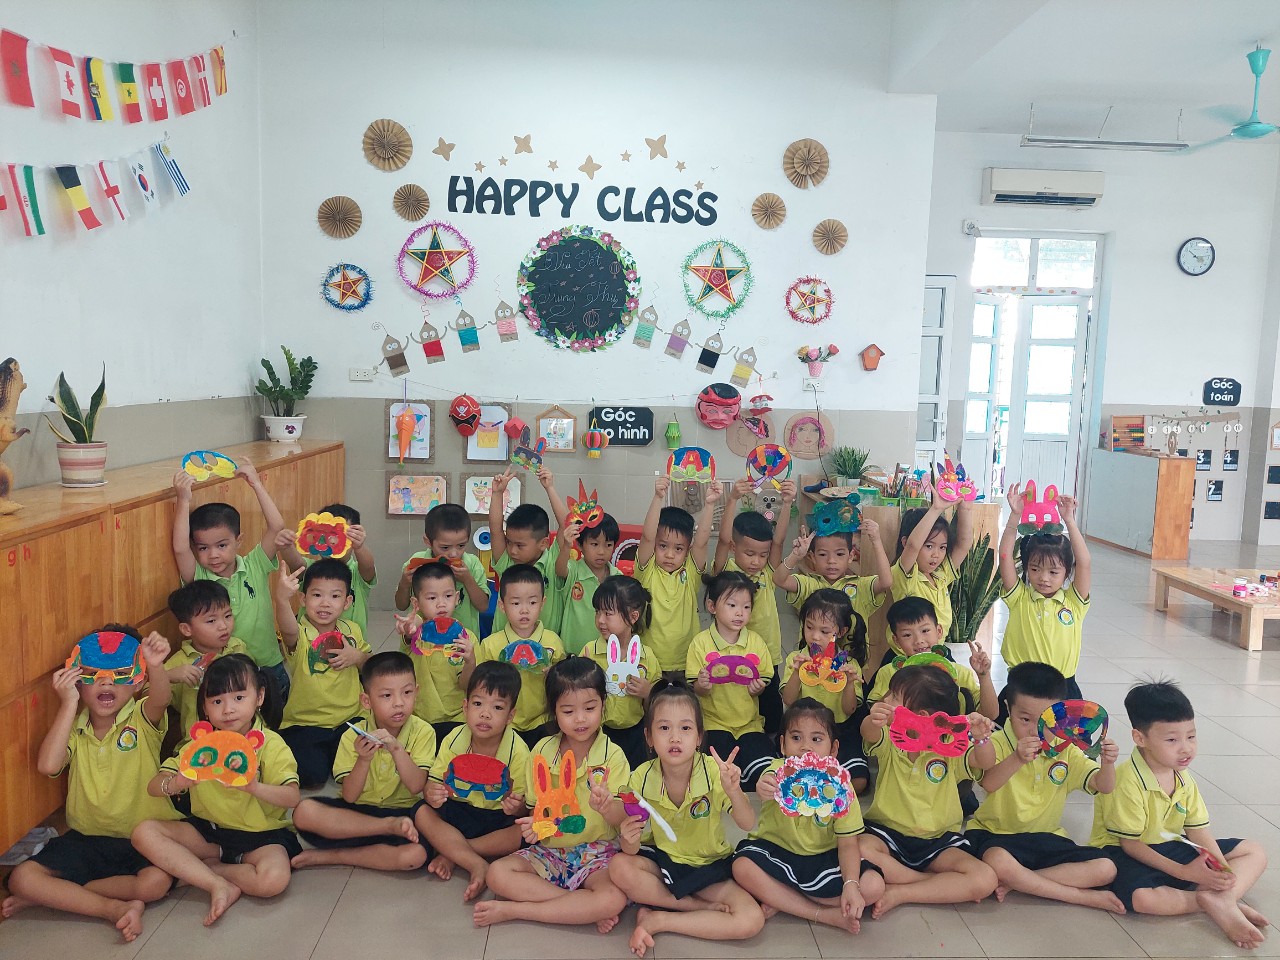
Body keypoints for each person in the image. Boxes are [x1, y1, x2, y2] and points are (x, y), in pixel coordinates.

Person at [3, 629, 175, 942]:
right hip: (85, 838)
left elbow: (162, 699)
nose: (106, 683)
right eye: (92, 674)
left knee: (155, 883)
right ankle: (112, 908)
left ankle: (61, 895)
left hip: (140, 839)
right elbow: (48, 765)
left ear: (138, 681)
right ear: (77, 680)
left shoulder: (141, 719)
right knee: (22, 879)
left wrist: (156, 665)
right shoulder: (74, 728)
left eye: (119, 674)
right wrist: (68, 703)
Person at [1090, 681, 1270, 949]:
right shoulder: (1126, 780)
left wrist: (1223, 872)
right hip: (1124, 851)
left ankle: (1222, 899)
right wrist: (1186, 873)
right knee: (1143, 899)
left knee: (1254, 851)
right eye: (1172, 740)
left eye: (1191, 736)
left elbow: (1197, 830)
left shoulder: (1183, 778)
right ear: (1140, 738)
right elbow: (1131, 844)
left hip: (1169, 845)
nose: (1186, 748)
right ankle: (1206, 901)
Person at [131, 655, 301, 927]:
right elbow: (154, 786)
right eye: (217, 701)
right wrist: (175, 784)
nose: (228, 709)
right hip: (209, 832)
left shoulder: (271, 744)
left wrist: (254, 787)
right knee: (143, 832)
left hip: (261, 836)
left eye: (239, 698)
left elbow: (292, 797)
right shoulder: (198, 746)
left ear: (259, 697)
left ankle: (202, 870)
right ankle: (216, 884)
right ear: (205, 708)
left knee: (272, 880)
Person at [473, 658, 630, 932]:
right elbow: (535, 811)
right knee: (497, 873)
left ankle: (517, 910)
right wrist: (530, 820)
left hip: (597, 854)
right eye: (568, 711)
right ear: (554, 711)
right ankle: (578, 907)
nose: (580, 719)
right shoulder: (542, 752)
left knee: (612, 897)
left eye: (590, 708)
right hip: (549, 852)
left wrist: (607, 807)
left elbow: (622, 818)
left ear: (603, 705)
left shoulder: (613, 756)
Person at [609, 683, 764, 958]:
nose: (675, 738)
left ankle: (660, 919)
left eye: (685, 728)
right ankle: (691, 907)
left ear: (699, 737)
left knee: (751, 920)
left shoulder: (714, 771)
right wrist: (627, 838)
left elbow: (747, 823)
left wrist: (734, 791)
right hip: (664, 861)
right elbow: (631, 848)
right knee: (619, 867)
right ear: (649, 737)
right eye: (664, 728)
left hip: (709, 864)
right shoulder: (641, 776)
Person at [969, 662, 1122, 912]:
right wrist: (1017, 759)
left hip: (1047, 837)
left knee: (1106, 868)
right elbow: (988, 783)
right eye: (1025, 719)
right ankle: (1078, 896)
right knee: (997, 862)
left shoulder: (1066, 750)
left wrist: (1108, 763)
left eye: (1048, 722)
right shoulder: (995, 743)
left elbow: (1104, 786)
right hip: (995, 835)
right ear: (1008, 709)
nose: (1036, 730)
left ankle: (1019, 882)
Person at [733, 698, 885, 933]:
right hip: (777, 852)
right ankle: (821, 914)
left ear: (833, 749)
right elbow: (766, 781)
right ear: (782, 744)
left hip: (823, 858)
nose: (805, 747)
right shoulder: (777, 770)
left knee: (873, 886)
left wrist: (851, 884)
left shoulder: (841, 785)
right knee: (741, 867)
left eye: (816, 739)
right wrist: (764, 786)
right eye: (796, 738)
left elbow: (847, 844)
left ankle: (783, 898)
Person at [858, 664, 998, 916]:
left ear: (920, 715)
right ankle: (928, 883)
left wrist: (981, 738)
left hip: (938, 841)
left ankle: (901, 891)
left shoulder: (951, 747)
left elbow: (985, 762)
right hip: (886, 833)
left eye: (894, 697)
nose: (885, 700)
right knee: (856, 847)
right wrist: (872, 719)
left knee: (985, 878)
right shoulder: (890, 738)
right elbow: (868, 733)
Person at [291, 651, 435, 872]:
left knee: (415, 856)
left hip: (404, 814)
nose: (399, 703)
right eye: (386, 696)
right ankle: (385, 827)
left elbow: (416, 786)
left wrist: (397, 749)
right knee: (304, 812)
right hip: (357, 817)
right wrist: (364, 759)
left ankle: (333, 856)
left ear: (417, 692)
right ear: (366, 701)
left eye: (407, 693)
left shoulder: (424, 732)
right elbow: (350, 796)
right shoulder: (352, 735)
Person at [171, 459, 290, 697]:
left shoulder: (255, 564)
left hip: (269, 664)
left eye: (222, 545)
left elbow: (276, 526)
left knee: (276, 717)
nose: (213, 555)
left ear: (238, 541)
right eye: (203, 548)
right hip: (230, 677)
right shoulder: (199, 578)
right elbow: (181, 548)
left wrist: (256, 484)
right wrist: (183, 500)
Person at [418, 661, 528, 901]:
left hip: (496, 817)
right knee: (421, 813)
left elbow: (523, 806)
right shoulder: (454, 738)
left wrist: (516, 806)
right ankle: (477, 863)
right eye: (478, 704)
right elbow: (433, 782)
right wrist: (432, 793)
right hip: (458, 810)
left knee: (525, 831)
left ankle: (454, 852)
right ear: (465, 706)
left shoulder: (518, 751)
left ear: (510, 716)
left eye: (497, 707)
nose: (485, 714)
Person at [273, 559, 370, 787]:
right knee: (311, 776)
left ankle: (334, 754)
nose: (325, 603)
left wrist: (357, 656)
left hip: (350, 718)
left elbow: (371, 665)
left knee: (365, 761)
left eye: (335, 596)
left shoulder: (352, 631)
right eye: (317, 595)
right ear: (303, 599)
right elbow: (287, 630)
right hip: (306, 722)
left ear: (347, 602)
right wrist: (281, 600)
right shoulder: (300, 633)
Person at [714, 479, 796, 733]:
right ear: (734, 548)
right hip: (733, 652)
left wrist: (788, 503)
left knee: (771, 710)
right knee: (736, 700)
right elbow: (722, 540)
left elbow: (779, 542)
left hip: (767, 654)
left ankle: (771, 741)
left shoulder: (767, 573)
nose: (756, 561)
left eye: (762, 555)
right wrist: (732, 499)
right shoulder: (726, 571)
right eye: (749, 554)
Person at [998, 484, 1091, 700]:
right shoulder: (1019, 598)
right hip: (1022, 686)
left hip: (1064, 688)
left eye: (1053, 572)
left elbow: (1084, 562)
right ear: (1026, 568)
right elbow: (1004, 556)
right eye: (1035, 569)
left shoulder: (1074, 603)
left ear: (1067, 572)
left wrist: (1069, 520)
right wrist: (1015, 516)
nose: (1043, 578)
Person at [686, 570, 775, 789]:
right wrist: (702, 685)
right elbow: (696, 688)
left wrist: (758, 689)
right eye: (732, 605)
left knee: (764, 770)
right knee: (717, 773)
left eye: (746, 607)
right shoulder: (700, 643)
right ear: (712, 606)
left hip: (750, 724)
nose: (740, 613)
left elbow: (764, 681)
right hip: (713, 723)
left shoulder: (756, 642)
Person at [465, 563, 565, 746]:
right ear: (502, 606)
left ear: (542, 603)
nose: (524, 610)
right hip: (503, 722)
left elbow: (564, 686)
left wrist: (554, 675)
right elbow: (479, 686)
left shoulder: (553, 641)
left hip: (543, 721)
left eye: (532, 603)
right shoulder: (491, 645)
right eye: (516, 603)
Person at [779, 589, 868, 790]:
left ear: (841, 632)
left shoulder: (849, 664)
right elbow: (788, 700)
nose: (815, 636)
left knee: (859, 782)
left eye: (825, 631)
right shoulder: (796, 658)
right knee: (790, 778)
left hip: (840, 729)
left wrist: (849, 683)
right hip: (803, 730)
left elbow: (849, 709)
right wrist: (797, 672)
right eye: (809, 627)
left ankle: (826, 788)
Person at [774, 520, 891, 667]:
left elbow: (886, 582)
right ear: (812, 557)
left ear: (851, 556)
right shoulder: (809, 584)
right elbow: (779, 579)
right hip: (811, 665)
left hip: (849, 667)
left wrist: (876, 541)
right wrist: (795, 556)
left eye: (839, 554)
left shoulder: (860, 586)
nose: (831, 561)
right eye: (823, 554)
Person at [636, 477, 720, 680]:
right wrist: (658, 497)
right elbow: (647, 536)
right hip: (648, 659)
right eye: (663, 546)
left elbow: (701, 543)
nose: (670, 555)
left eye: (679, 549)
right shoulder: (647, 569)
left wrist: (709, 504)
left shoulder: (690, 572)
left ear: (687, 550)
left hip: (685, 659)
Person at [865, 598, 998, 720]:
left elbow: (990, 715)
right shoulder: (888, 672)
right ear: (896, 641)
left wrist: (983, 676)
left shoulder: (960, 673)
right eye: (907, 635)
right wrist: (898, 685)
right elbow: (874, 715)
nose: (918, 640)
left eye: (925, 631)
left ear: (939, 631)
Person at [889, 479, 974, 658]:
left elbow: (964, 544)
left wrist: (965, 509)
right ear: (904, 542)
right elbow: (913, 545)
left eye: (942, 547)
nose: (936, 554)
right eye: (929, 546)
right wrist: (935, 509)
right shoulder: (905, 577)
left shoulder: (941, 575)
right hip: (908, 657)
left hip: (937, 651)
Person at [394, 560, 478, 740]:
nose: (441, 604)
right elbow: (411, 629)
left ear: (457, 597)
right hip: (418, 718)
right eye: (432, 598)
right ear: (416, 603)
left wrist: (470, 661)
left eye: (448, 596)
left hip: (458, 719)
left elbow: (466, 686)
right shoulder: (417, 631)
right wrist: (408, 628)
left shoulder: (467, 638)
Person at [581, 575, 659, 767]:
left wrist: (648, 692)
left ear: (633, 616)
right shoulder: (590, 652)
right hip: (598, 733)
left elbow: (659, 704)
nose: (600, 620)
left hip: (636, 734)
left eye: (608, 613)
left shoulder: (646, 656)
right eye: (597, 612)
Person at [164, 581, 250, 738]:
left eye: (228, 616)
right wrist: (167, 676)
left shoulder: (238, 647)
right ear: (186, 629)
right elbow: (147, 697)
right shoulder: (178, 663)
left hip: (246, 736)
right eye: (211, 621)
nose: (223, 626)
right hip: (199, 743)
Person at [279, 502, 377, 636]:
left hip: (351, 644)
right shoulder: (312, 569)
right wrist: (286, 546)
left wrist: (360, 547)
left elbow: (368, 567)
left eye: (337, 536)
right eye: (325, 536)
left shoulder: (356, 572)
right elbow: (296, 563)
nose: (331, 543)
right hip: (308, 643)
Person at [395, 503, 490, 640]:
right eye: (445, 547)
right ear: (428, 541)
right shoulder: (415, 563)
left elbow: (483, 606)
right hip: (423, 640)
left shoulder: (473, 564)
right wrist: (404, 584)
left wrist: (467, 580)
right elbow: (401, 605)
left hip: (461, 641)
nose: (454, 553)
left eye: (461, 545)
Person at [490, 466, 567, 634]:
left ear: (543, 543)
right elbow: (495, 530)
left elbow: (566, 525)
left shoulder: (554, 562)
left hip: (546, 647)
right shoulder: (507, 563)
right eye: (509, 542)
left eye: (520, 545)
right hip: (504, 646)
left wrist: (549, 487)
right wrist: (497, 493)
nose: (512, 550)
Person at [556, 510, 622, 654]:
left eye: (608, 545)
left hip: (606, 654)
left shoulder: (618, 577)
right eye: (594, 544)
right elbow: (560, 570)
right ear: (580, 545)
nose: (601, 551)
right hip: (573, 654)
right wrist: (566, 546)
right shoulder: (574, 570)